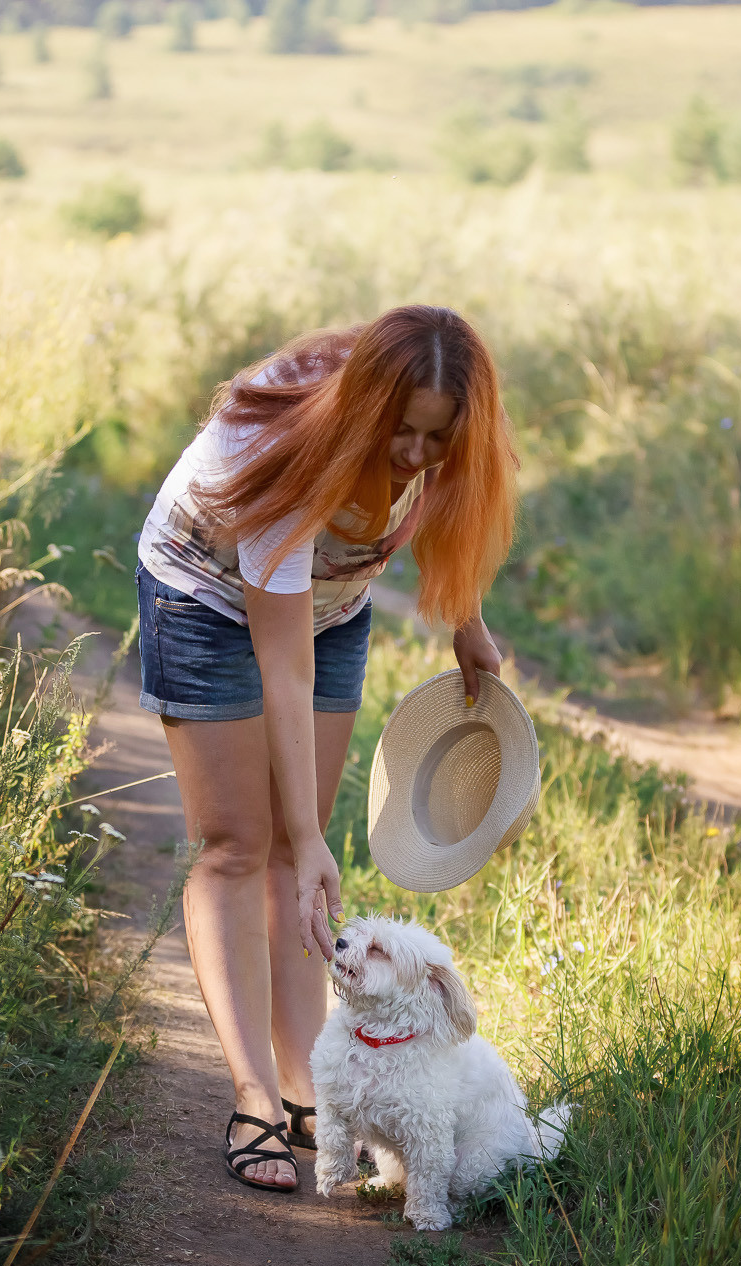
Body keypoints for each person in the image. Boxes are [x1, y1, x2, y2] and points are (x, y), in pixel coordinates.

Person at [133, 304, 519, 1191]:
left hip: (332, 604)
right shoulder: (281, 450)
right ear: (363, 412)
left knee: (294, 849)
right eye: (401, 434)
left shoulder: (441, 443)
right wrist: (305, 835)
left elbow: (442, 512)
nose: (417, 456)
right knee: (244, 840)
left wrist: (468, 621)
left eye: (438, 438)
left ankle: (307, 1080)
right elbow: (284, 672)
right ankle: (253, 1095)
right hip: (206, 596)